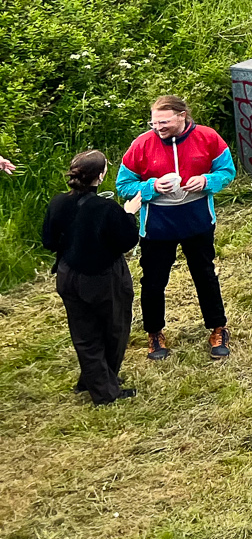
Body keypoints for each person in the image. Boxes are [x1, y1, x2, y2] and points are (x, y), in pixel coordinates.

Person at [117, 94, 235, 362]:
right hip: (158, 227)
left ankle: (218, 328)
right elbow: (123, 185)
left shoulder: (207, 138)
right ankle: (154, 333)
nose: (158, 128)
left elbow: (227, 172)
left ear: (182, 116)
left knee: (205, 275)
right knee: (154, 282)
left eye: (164, 122)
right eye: (154, 122)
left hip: (198, 223)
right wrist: (151, 187)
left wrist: (207, 181)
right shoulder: (141, 145)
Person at [42, 148, 139, 404]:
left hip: (67, 275)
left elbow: (49, 241)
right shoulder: (106, 208)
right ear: (101, 175)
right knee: (114, 330)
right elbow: (126, 241)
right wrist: (128, 214)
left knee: (84, 335)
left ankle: (94, 380)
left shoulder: (57, 202)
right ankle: (106, 392)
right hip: (104, 277)